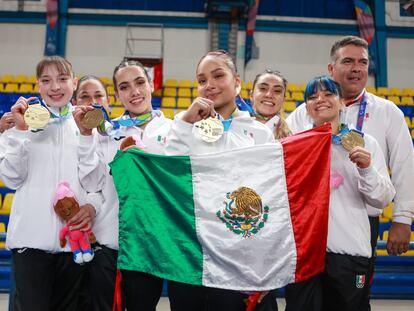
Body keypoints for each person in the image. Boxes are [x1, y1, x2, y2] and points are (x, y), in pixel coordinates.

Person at [286, 36, 414, 309]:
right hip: (309, 226)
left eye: (363, 62)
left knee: (352, 301)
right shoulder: (301, 114)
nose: (356, 68)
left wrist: (403, 219)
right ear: (331, 69)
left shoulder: (387, 112)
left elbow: (405, 165)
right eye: (348, 61)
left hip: (359, 225)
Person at [165, 50, 276, 311]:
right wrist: (184, 123)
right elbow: (170, 173)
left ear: (236, 80)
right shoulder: (183, 126)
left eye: (218, 76)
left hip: (238, 255)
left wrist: (266, 263)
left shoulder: (260, 132)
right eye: (202, 80)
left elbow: (270, 197)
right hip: (190, 252)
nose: (210, 85)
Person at [0, 56, 99, 311]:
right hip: (31, 245)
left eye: (62, 79)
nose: (55, 86)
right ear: (38, 86)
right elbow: (11, 177)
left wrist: (93, 206)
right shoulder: (18, 124)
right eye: (47, 80)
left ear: (74, 83)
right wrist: (20, 132)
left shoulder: (84, 127)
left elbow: (94, 182)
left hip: (72, 247)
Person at [73, 60, 172, 311]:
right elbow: (93, 182)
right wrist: (86, 137)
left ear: (151, 85)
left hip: (149, 245)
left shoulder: (173, 131)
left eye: (140, 83)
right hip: (109, 243)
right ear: (117, 95)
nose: (135, 91)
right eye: (125, 87)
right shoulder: (106, 132)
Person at [250, 69, 291, 139]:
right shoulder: (234, 126)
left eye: (277, 91)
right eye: (263, 88)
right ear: (251, 95)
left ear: (283, 99)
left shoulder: (292, 135)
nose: (269, 95)